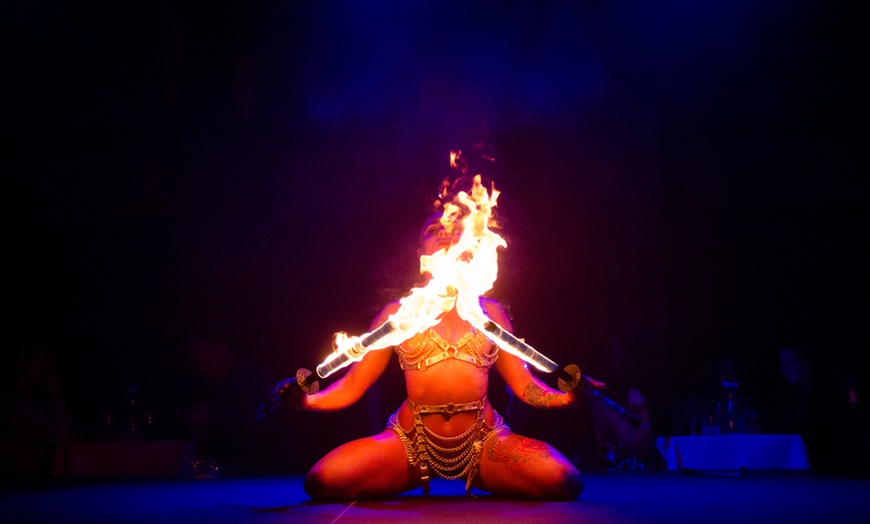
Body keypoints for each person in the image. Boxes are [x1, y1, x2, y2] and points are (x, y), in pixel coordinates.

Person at [277, 169, 582, 501]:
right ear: (419, 250)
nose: (445, 233)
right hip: (410, 443)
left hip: (484, 441)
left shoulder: (491, 313)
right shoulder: (397, 315)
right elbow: (351, 386)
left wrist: (564, 396)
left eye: (452, 228)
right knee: (322, 481)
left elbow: (523, 385)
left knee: (564, 481)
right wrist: (307, 401)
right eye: (433, 229)